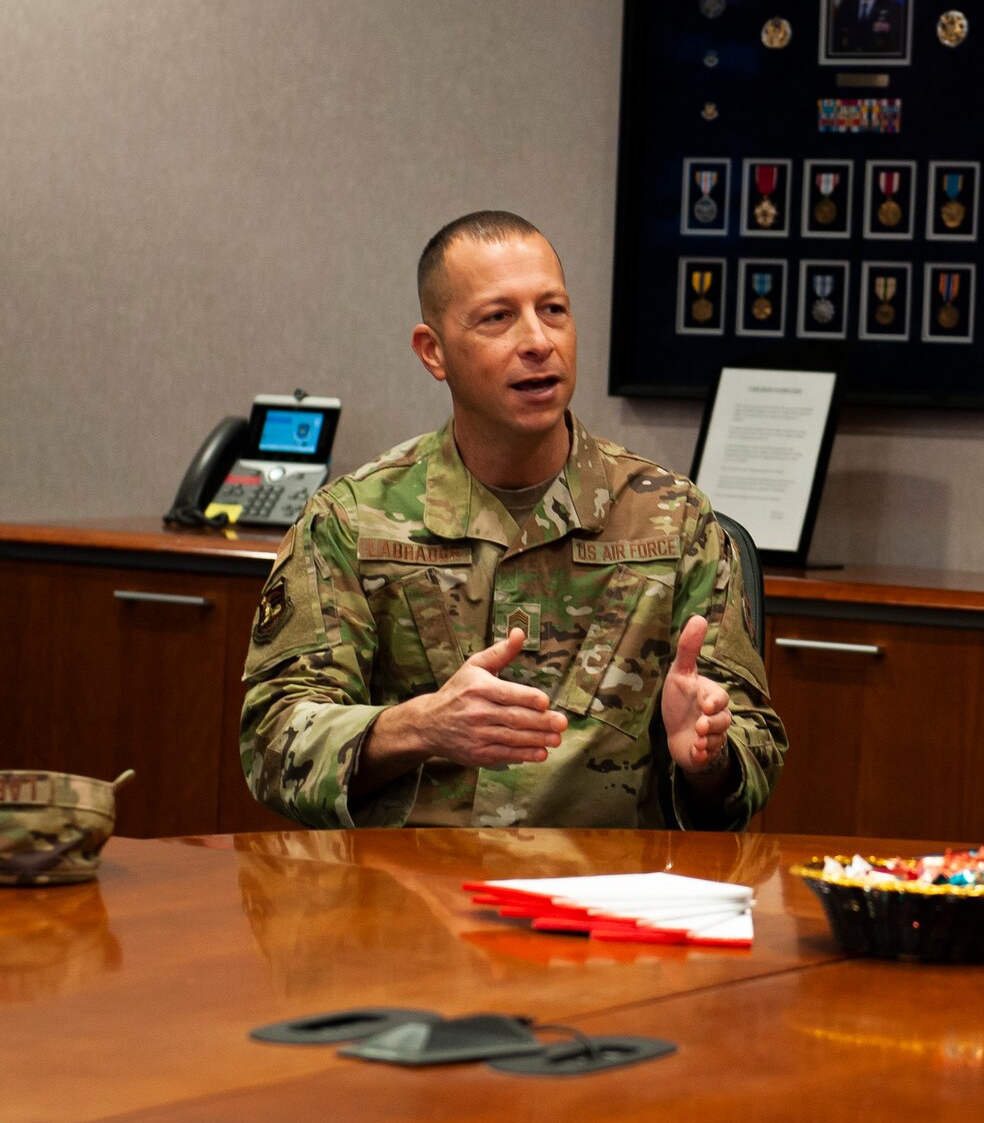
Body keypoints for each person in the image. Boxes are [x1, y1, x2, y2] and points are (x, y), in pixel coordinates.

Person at [240, 211, 785, 829]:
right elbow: (271, 740)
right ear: (433, 351)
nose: (538, 341)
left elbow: (755, 754)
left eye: (553, 310)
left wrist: (709, 757)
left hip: (605, 894)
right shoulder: (353, 520)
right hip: (409, 898)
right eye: (498, 317)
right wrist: (418, 727)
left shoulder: (672, 517)